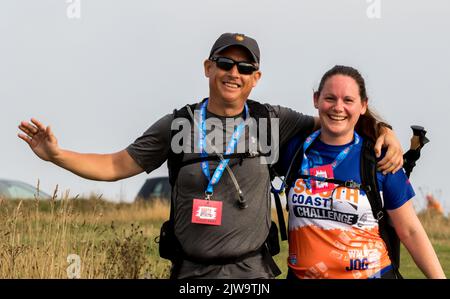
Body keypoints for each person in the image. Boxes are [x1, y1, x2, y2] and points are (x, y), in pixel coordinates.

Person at [18, 33, 403, 279]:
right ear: (208, 68)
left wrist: (385, 131)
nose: (234, 72)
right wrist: (55, 154)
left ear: (256, 77)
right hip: (190, 274)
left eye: (245, 67)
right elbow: (116, 165)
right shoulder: (178, 124)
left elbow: (338, 118)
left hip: (254, 274)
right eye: (225, 63)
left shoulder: (273, 120)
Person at [282, 65, 445, 279]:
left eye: (348, 100)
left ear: (363, 106)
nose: (338, 107)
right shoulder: (294, 150)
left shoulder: (380, 158)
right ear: (316, 100)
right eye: (330, 98)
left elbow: (410, 231)